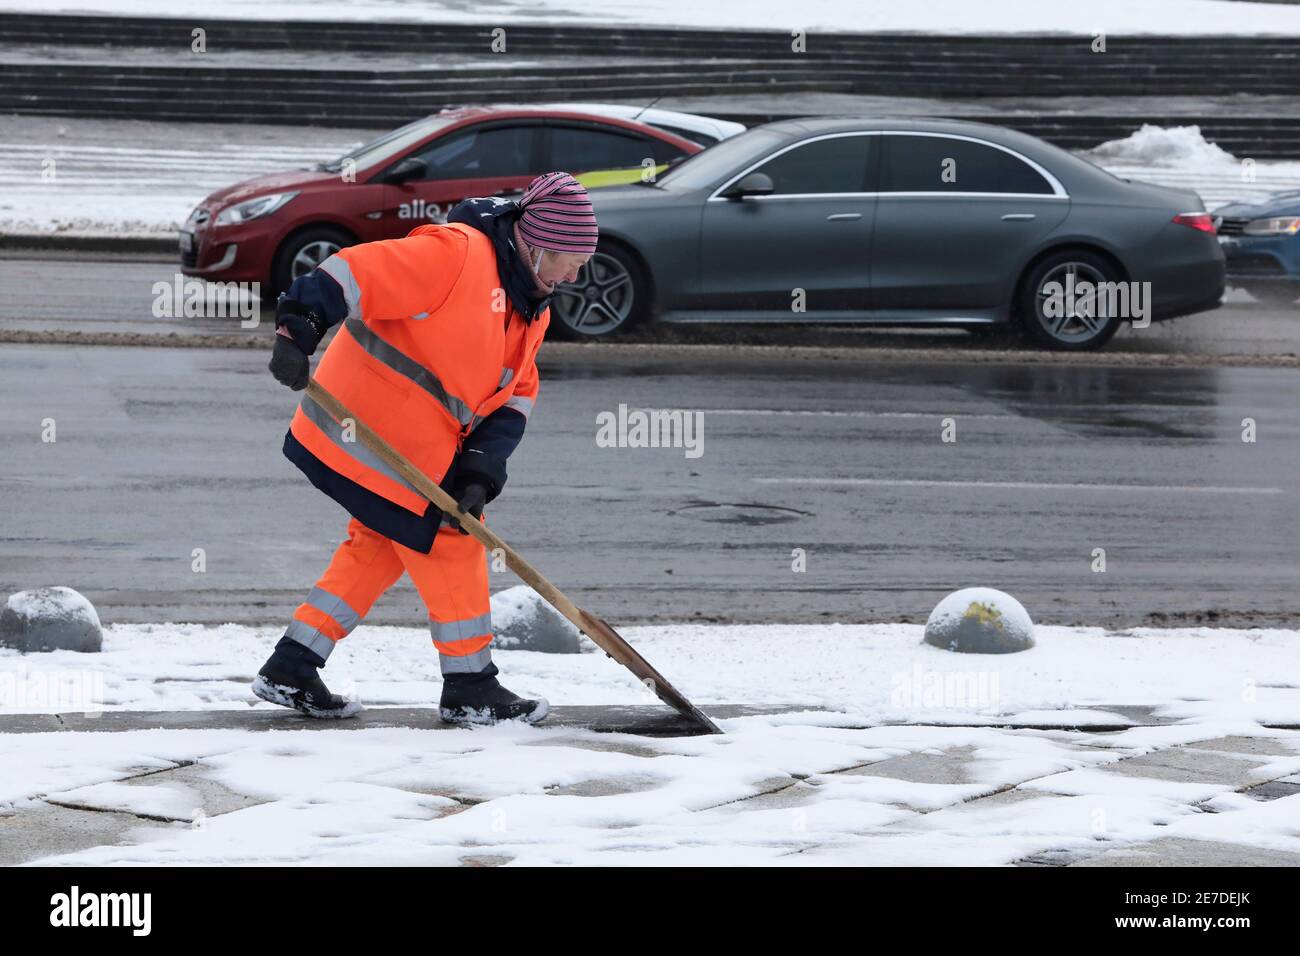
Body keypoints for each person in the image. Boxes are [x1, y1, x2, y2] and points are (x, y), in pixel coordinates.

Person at [253, 171, 597, 724]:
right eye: (571, 257)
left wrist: (481, 469)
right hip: (364, 430)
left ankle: (291, 666)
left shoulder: (532, 307)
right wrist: (299, 329)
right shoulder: (456, 256)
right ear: (536, 247)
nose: (578, 272)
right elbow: (354, 271)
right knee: (448, 540)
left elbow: (515, 395)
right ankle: (470, 687)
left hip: (418, 454)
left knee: (380, 544)